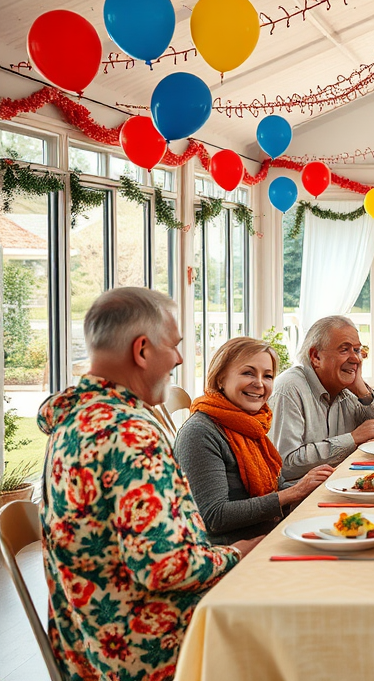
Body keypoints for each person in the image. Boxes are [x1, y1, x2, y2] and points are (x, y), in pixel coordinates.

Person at [37, 287, 259, 681]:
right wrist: (239, 554)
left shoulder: (74, 418)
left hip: (91, 648)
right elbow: (164, 567)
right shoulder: (128, 434)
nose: (179, 358)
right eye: (173, 346)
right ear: (141, 351)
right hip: (156, 651)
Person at [175, 337, 335, 545]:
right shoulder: (199, 432)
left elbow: (275, 489)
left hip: (268, 534)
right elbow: (213, 516)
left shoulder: (252, 424)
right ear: (221, 378)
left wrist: (314, 485)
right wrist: (293, 493)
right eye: (248, 373)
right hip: (232, 552)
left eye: (267, 376)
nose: (259, 383)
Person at [270, 315, 374, 481]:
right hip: (303, 500)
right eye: (344, 350)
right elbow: (285, 465)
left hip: (344, 482)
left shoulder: (347, 388)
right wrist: (352, 439)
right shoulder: (289, 389)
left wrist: (363, 392)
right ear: (316, 357)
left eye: (357, 350)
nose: (355, 359)